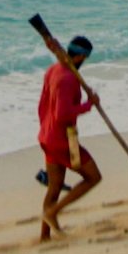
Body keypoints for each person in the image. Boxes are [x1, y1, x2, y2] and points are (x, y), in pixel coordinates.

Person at [38, 35, 101, 240]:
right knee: (93, 177)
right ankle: (53, 212)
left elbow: (43, 106)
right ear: (80, 57)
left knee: (54, 187)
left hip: (47, 136)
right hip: (63, 139)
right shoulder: (68, 78)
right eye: (85, 59)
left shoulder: (53, 70)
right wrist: (89, 104)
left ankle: (45, 235)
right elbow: (63, 114)